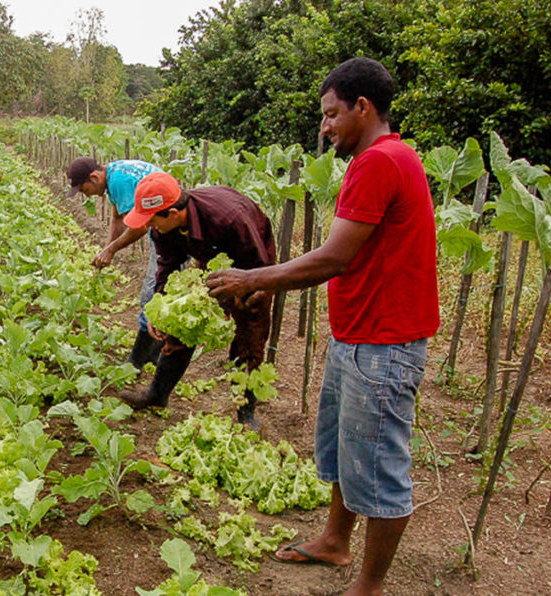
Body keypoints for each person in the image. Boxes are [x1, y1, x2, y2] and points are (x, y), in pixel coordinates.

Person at [206, 57, 437, 595]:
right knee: (344, 451)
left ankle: (368, 586)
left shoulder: (381, 162)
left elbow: (334, 258)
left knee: (378, 469)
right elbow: (347, 253)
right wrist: (271, 281)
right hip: (358, 333)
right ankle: (335, 541)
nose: (325, 127)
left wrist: (253, 276)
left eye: (332, 114)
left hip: (382, 342)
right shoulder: (382, 159)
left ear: (363, 107)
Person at [118, 172, 275, 431]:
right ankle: (157, 395)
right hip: (210, 255)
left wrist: (227, 305)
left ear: (173, 213)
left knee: (250, 332)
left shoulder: (230, 219)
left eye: (152, 220)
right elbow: (166, 267)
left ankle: (246, 413)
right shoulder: (164, 228)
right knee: (184, 320)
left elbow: (257, 269)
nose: (149, 226)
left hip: (252, 263)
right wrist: (162, 310)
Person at [65, 157, 166, 368]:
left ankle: (138, 361)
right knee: (159, 290)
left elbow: (139, 227)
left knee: (152, 293)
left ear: (94, 177)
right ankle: (154, 354)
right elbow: (119, 218)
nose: (86, 195)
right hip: (162, 225)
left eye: (84, 189)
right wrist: (107, 249)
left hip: (169, 228)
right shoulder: (115, 174)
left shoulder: (119, 181)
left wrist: (111, 250)